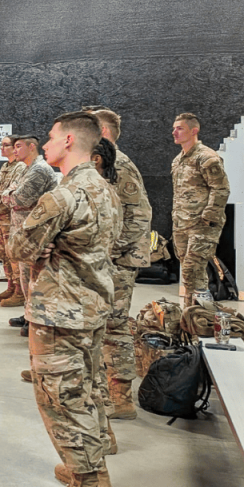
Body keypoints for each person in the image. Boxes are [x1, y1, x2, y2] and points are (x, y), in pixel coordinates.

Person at [9, 111, 119, 487]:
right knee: (87, 390)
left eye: (53, 137)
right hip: (91, 307)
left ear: (70, 140)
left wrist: (45, 247)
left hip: (60, 313)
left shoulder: (62, 195)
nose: (48, 143)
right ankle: (95, 471)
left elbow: (20, 246)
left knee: (61, 398)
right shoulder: (105, 190)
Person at [89, 109, 152, 421]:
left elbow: (138, 217)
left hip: (119, 260)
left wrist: (108, 253)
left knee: (114, 327)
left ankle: (121, 398)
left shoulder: (121, 164)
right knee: (102, 325)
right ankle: (105, 389)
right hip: (107, 258)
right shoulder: (103, 162)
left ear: (102, 129)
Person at [171, 113, 230, 307]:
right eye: (174, 128)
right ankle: (194, 315)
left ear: (193, 130)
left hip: (202, 225)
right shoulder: (178, 160)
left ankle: (202, 316)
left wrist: (208, 218)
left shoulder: (207, 157)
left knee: (192, 270)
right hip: (182, 223)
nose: (174, 132)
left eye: (180, 128)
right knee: (191, 274)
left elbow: (221, 188)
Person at [0, 134, 59, 330]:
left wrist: (10, 194)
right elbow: (9, 194)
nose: (14, 150)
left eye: (18, 146)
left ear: (31, 147)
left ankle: (35, 320)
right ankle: (28, 314)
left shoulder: (39, 170)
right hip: (24, 232)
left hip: (34, 234)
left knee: (34, 277)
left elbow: (19, 199)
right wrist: (10, 194)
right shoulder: (27, 169)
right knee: (25, 276)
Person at [0, 135, 26, 303]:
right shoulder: (5, 166)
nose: (1, 148)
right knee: (3, 254)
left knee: (13, 255)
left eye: (5, 145)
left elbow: (11, 193)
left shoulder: (21, 167)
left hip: (11, 219)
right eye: (1, 145)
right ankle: (10, 286)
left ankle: (19, 292)